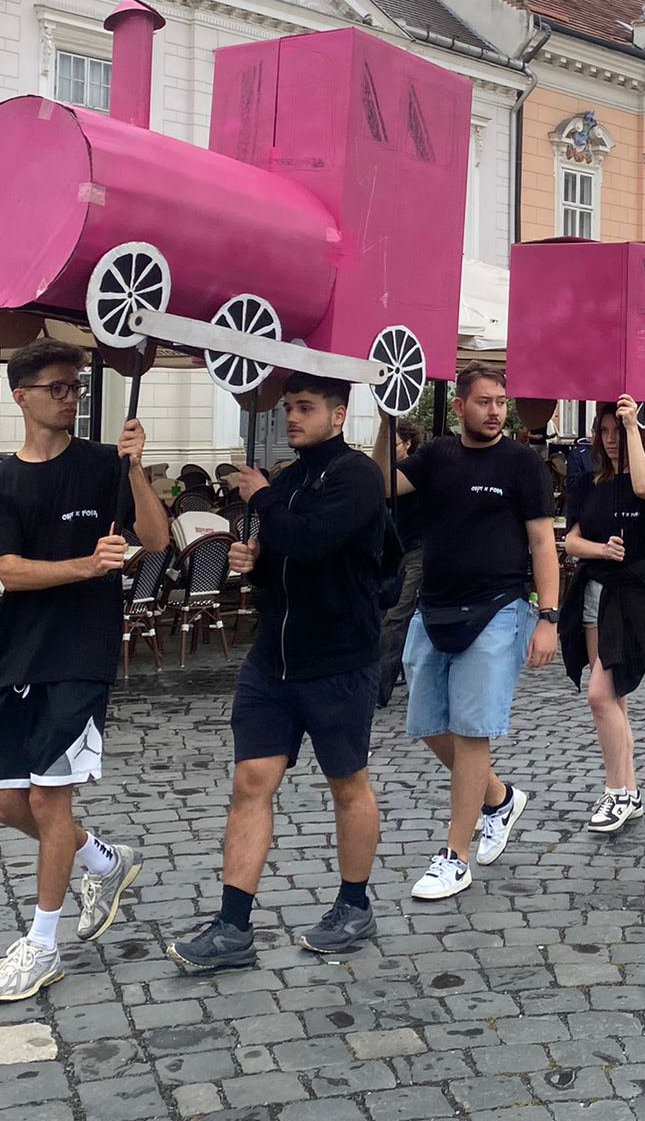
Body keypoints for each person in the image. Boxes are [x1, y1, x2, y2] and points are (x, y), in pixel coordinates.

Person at [0, 339, 169, 1003]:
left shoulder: (100, 464)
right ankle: (103, 862)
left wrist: (136, 469)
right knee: (4, 803)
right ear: (21, 395)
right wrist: (89, 565)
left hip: (80, 656)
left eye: (77, 388)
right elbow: (9, 572)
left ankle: (43, 944)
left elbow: (159, 539)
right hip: (13, 658)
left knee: (50, 799)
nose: (72, 398)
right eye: (59, 388)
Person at [170, 374, 388, 972]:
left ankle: (353, 903)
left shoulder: (357, 477)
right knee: (251, 781)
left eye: (305, 407)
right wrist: (254, 561)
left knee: (347, 784)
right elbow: (282, 560)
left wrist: (261, 501)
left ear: (339, 416)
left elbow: (314, 540)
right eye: (289, 406)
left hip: (338, 659)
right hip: (273, 661)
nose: (291, 417)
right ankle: (232, 926)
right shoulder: (288, 481)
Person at [381, 365, 559, 901]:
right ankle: (500, 799)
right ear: (459, 406)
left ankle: (454, 856)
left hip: (498, 608)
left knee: (470, 730)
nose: (496, 411)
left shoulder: (523, 463)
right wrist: (387, 417)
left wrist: (547, 617)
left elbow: (543, 544)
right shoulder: (436, 455)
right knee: (429, 724)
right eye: (484, 402)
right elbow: (383, 482)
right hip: (432, 608)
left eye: (501, 402)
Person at [561, 396, 645, 832]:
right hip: (593, 594)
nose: (611, 440)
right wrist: (601, 549)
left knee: (599, 696)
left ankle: (616, 791)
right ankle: (631, 790)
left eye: (617, 432)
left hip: (634, 595)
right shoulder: (587, 483)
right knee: (615, 697)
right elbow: (571, 541)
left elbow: (642, 489)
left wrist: (632, 424)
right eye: (604, 432)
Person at [375, 419, 426, 708]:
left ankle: (379, 689)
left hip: (415, 550)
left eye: (393, 445)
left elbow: (387, 487)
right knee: (383, 614)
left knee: (396, 616)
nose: (388, 451)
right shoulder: (383, 468)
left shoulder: (414, 468)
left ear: (407, 443)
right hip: (388, 551)